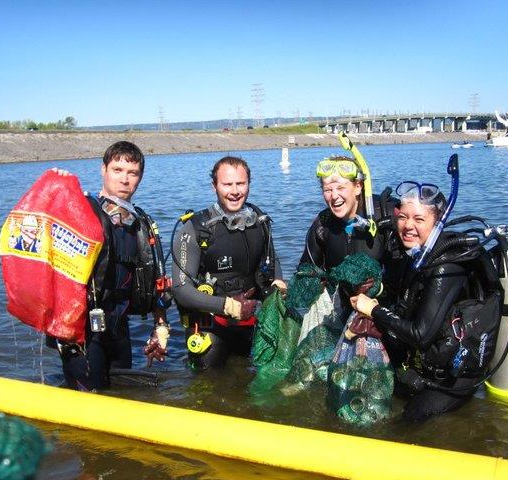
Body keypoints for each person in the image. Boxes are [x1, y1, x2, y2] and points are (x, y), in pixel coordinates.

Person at [349, 181, 501, 422]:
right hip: (424, 362)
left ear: (437, 221)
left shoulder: (446, 265)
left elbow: (421, 334)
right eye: (403, 217)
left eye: (419, 220)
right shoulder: (415, 254)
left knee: (407, 421)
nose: (408, 226)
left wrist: (374, 310)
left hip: (455, 376)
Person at [55, 141, 171, 391]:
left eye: (133, 173)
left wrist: (160, 326)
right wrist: (57, 188)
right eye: (117, 170)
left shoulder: (140, 223)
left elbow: (155, 281)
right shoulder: (80, 212)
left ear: (140, 177)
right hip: (82, 332)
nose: (125, 179)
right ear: (103, 170)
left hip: (119, 330)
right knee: (89, 400)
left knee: (123, 396)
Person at [172, 156, 286, 369]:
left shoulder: (260, 222)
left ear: (248, 184)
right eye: (227, 184)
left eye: (240, 183)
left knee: (244, 383)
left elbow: (272, 261)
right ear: (214, 186)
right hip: (209, 327)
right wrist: (228, 306)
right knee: (208, 388)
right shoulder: (197, 229)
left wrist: (278, 282)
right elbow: (180, 290)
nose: (235, 191)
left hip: (248, 323)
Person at [300, 155, 386, 316]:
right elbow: (306, 270)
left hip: (384, 312)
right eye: (327, 189)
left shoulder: (383, 216)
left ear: (358, 186)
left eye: (340, 188)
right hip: (344, 311)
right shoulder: (322, 224)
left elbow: (408, 274)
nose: (334, 196)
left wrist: (379, 287)